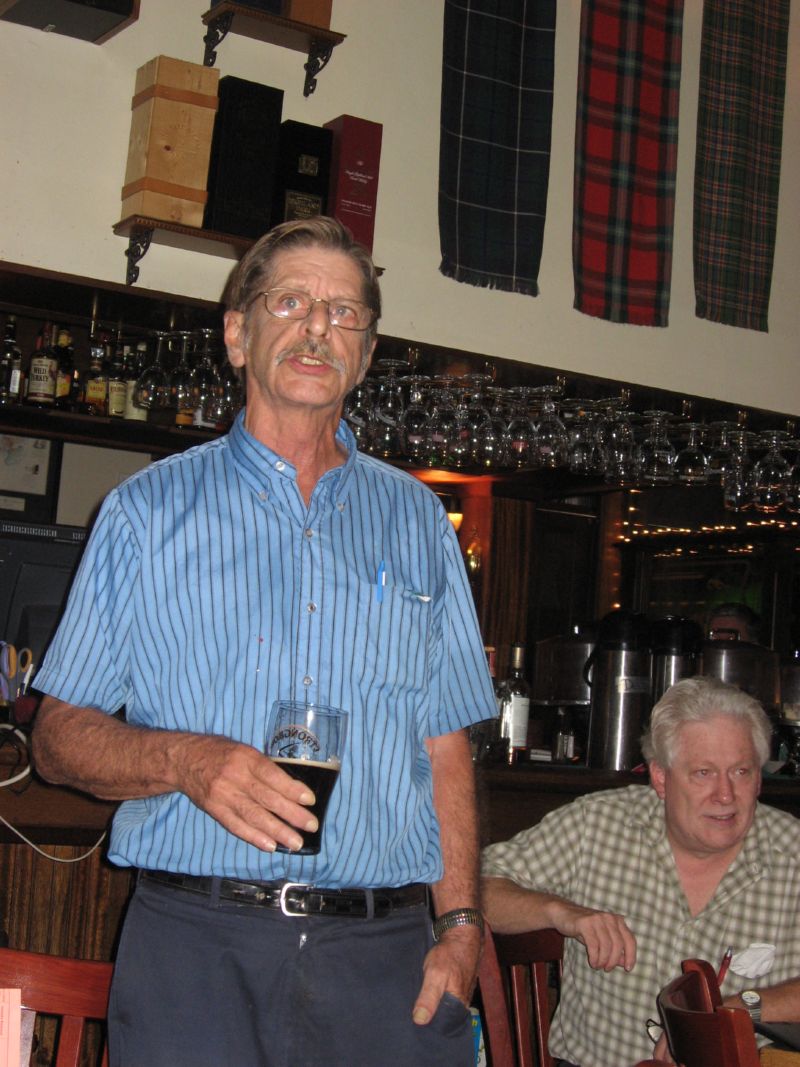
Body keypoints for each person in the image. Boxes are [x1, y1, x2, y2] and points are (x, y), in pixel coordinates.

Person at [31, 216, 497, 1067]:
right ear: (237, 335)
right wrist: (187, 761)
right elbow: (56, 738)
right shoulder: (145, 514)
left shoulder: (420, 522)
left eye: (344, 312)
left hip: (385, 959)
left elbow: (445, 743)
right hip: (197, 952)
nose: (318, 326)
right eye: (290, 302)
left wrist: (462, 924)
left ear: (366, 352)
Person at [482, 676, 800, 1067]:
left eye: (741, 772)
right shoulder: (596, 825)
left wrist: (740, 1008)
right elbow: (476, 892)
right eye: (703, 773)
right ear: (661, 777)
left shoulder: (792, 853)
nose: (725, 795)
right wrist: (560, 911)